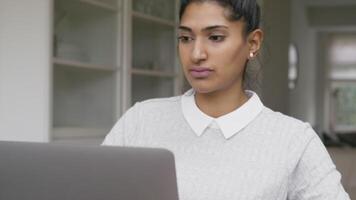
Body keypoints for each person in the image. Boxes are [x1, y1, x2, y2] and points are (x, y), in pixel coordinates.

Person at [103, 0, 350, 199]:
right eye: (186, 38)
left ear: (253, 43)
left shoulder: (294, 141)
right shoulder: (140, 120)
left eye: (215, 37)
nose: (196, 54)